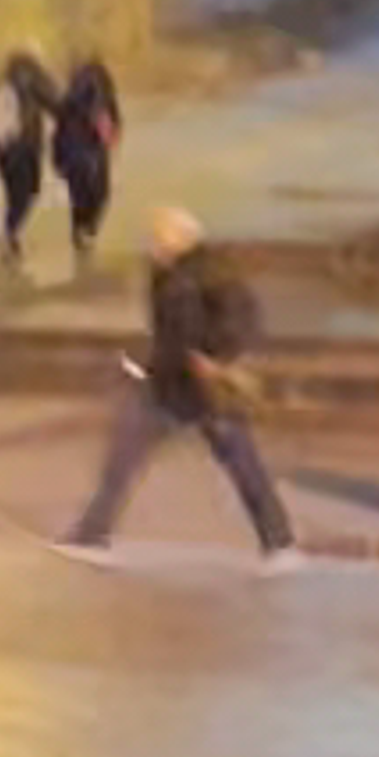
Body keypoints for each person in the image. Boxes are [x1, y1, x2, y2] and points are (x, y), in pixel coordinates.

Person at [64, 210, 300, 567]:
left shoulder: (215, 274)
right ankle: (91, 535)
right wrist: (146, 361)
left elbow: (243, 320)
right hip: (167, 382)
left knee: (241, 463)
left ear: (179, 240)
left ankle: (279, 543)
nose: (151, 244)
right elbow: (167, 329)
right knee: (124, 456)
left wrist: (214, 356)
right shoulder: (162, 273)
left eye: (158, 237)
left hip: (206, 387)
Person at [0, 43, 60, 266]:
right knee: (29, 191)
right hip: (25, 144)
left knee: (12, 191)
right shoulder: (34, 77)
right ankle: (10, 233)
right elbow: (55, 103)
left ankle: (10, 235)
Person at [51, 50, 123, 271]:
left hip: (79, 150)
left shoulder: (70, 99)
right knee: (98, 192)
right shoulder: (101, 93)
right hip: (88, 148)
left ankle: (81, 230)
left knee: (81, 193)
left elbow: (58, 131)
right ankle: (86, 229)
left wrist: (58, 159)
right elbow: (113, 118)